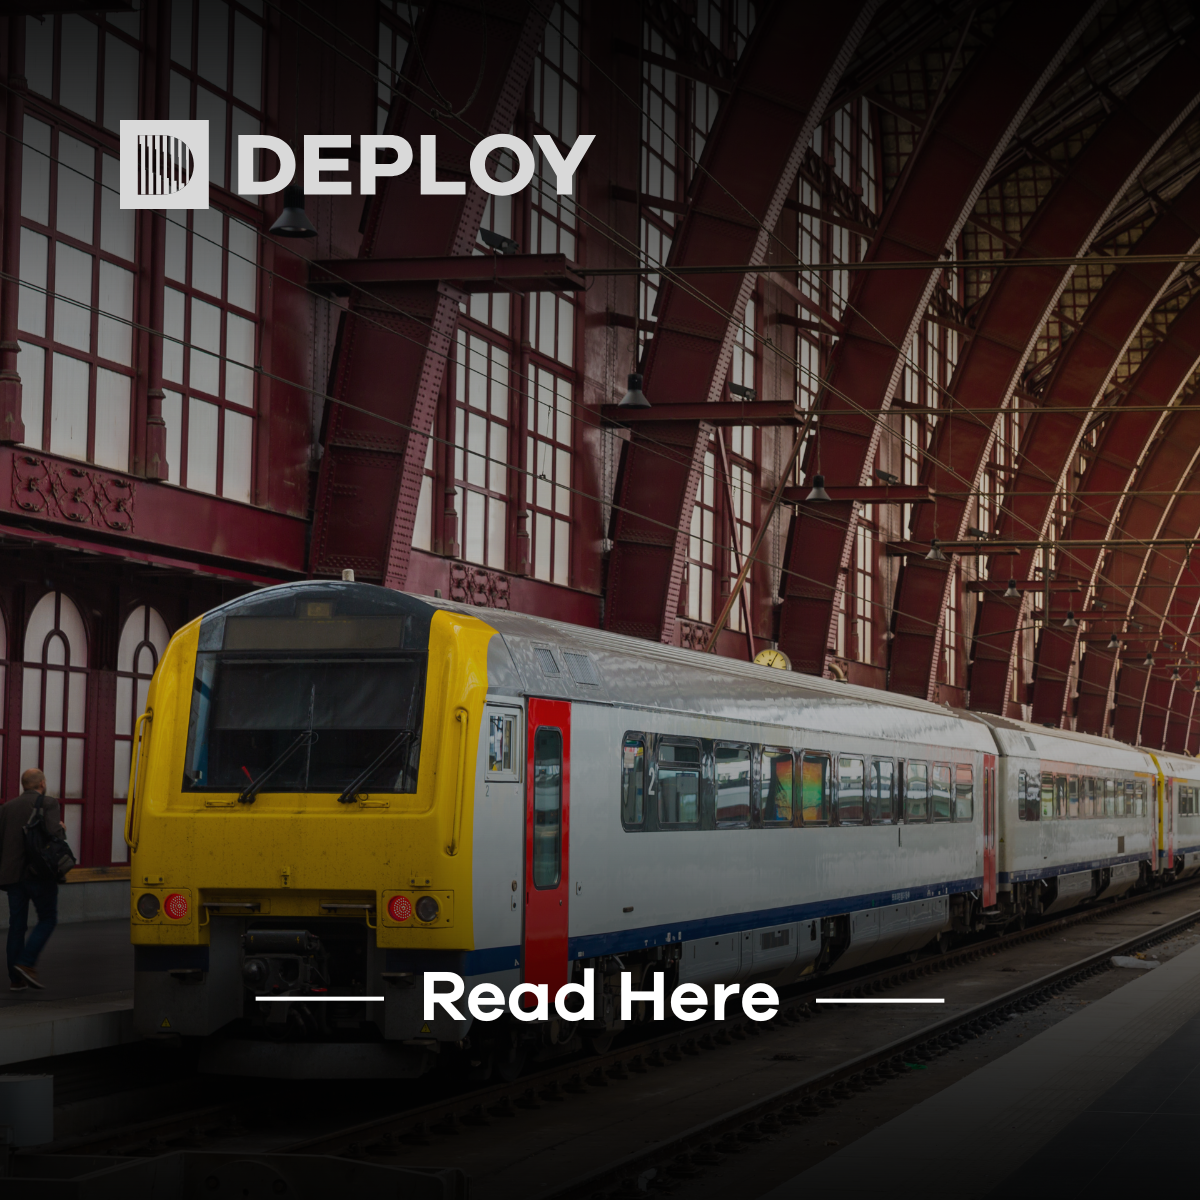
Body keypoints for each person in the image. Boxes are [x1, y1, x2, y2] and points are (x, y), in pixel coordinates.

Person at [0, 769, 62, 990]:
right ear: (42, 783)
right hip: (39, 874)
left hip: (13, 876)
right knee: (47, 918)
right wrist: (61, 829)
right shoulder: (49, 803)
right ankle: (26, 963)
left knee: (16, 925)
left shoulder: (7, 807)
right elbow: (55, 835)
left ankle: (15, 981)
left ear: (23, 785)